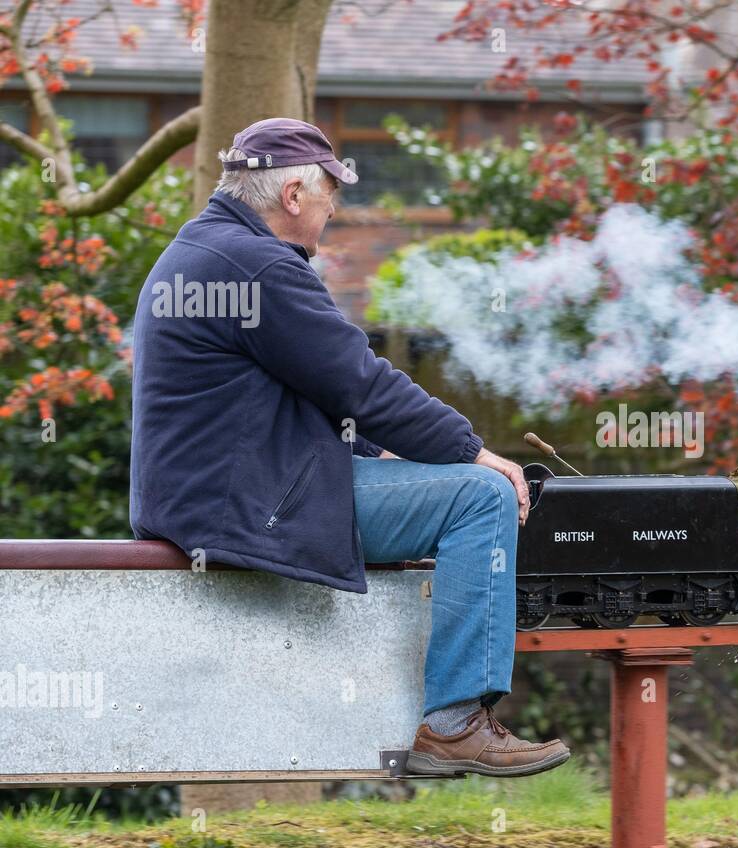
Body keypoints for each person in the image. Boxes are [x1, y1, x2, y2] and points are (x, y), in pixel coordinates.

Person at [128, 117, 569, 778]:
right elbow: (359, 382)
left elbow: (280, 397)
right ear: (294, 195)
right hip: (247, 503)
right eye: (331, 191)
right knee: (479, 498)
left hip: (218, 495)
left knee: (446, 485)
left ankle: (451, 719)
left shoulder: (206, 250)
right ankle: (453, 725)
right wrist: (472, 450)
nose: (336, 206)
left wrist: (369, 454)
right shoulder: (259, 265)